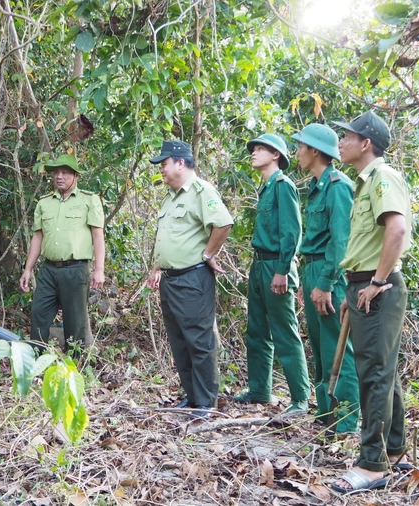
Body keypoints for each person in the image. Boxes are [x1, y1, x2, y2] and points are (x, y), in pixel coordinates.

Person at [331, 111, 412, 493]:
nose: (341, 142)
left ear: (366, 143)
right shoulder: (364, 183)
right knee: (384, 371)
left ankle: (373, 465)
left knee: (374, 375)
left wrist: (377, 282)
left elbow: (397, 229)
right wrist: (356, 287)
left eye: (346, 136)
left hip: (377, 287)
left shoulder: (382, 178)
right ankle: (393, 450)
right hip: (363, 284)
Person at [147, 140, 233, 418]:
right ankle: (192, 396)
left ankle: (207, 402)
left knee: (199, 341)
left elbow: (223, 223)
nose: (162, 170)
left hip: (193, 278)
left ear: (180, 163)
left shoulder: (201, 191)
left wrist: (209, 253)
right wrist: (156, 267)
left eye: (164, 164)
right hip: (170, 279)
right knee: (179, 342)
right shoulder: (170, 197)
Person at [236, 133, 311, 416]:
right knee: (257, 329)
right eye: (253, 148)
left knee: (284, 331)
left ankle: (300, 399)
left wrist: (282, 270)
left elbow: (291, 232)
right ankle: (259, 390)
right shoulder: (266, 187)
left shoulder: (283, 185)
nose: (254, 153)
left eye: (260, 149)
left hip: (276, 267)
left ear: (276, 155)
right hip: (259, 265)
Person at [293, 124, 360, 433]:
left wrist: (325, 284)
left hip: (327, 275)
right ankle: (326, 418)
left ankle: (345, 424)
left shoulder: (338, 186)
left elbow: (341, 241)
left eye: (301, 147)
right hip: (312, 272)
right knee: (320, 349)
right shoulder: (317, 186)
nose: (297, 153)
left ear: (315, 151)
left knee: (338, 350)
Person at [19, 154, 105, 354]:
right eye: (56, 173)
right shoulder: (45, 202)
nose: (59, 176)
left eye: (65, 172)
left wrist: (99, 269)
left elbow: (97, 236)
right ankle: (37, 359)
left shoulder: (89, 200)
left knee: (75, 320)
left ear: (75, 176)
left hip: (75, 269)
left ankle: (73, 365)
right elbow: (38, 237)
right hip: (49, 270)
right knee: (39, 314)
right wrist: (28, 269)